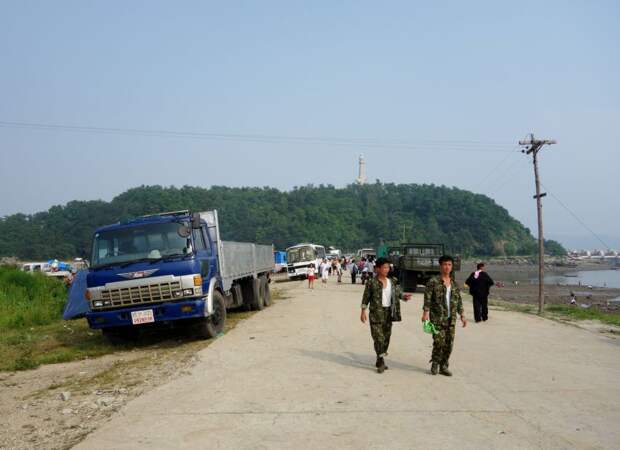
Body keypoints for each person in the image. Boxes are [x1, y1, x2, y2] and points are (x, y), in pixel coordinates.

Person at [360, 258, 411, 373]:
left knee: (386, 338)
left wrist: (404, 297)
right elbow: (366, 297)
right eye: (384, 267)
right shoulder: (371, 282)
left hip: (389, 313)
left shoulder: (392, 281)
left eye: (388, 267)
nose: (386, 269)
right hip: (376, 314)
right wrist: (363, 311)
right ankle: (382, 361)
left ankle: (379, 358)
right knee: (379, 338)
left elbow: (398, 293)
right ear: (377, 269)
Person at [422, 255, 467, 376]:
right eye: (445, 264)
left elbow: (459, 300)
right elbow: (427, 299)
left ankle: (444, 366)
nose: (447, 267)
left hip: (451, 319)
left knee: (449, 344)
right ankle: (435, 363)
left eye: (449, 265)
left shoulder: (454, 284)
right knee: (438, 342)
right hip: (437, 318)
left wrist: (462, 315)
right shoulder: (433, 282)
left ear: (452, 267)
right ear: (440, 266)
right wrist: (425, 313)